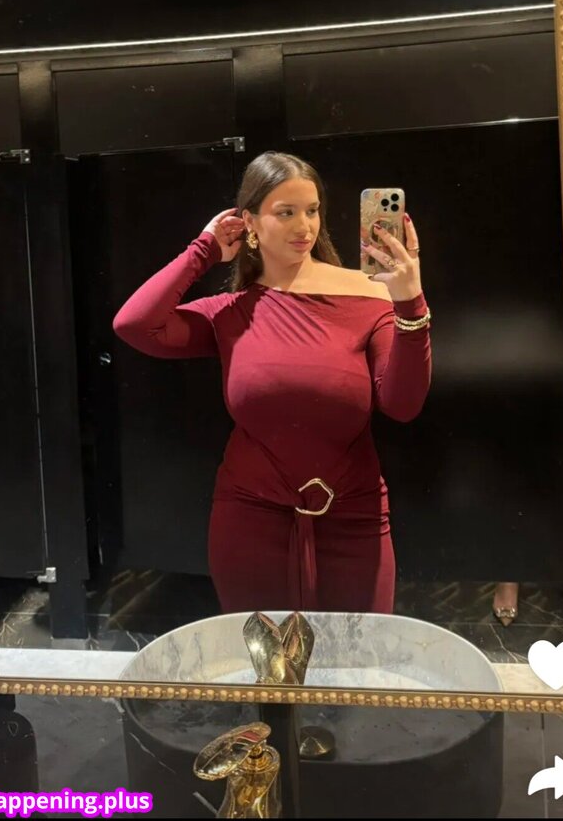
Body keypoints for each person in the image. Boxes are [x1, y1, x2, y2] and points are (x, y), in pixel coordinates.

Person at [113, 152, 432, 613]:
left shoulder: (370, 295)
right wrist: (203, 251)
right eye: (286, 213)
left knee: (357, 654)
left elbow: (402, 404)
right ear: (250, 223)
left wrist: (411, 304)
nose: (305, 226)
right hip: (250, 518)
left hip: (353, 517)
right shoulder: (231, 312)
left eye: (312, 210)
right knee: (262, 655)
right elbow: (134, 325)